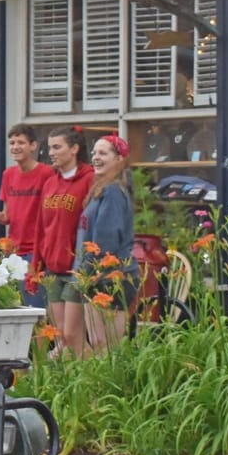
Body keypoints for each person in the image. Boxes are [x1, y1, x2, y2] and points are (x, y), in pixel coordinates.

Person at [76, 134, 138, 352]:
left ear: (119, 159)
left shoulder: (112, 192)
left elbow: (106, 238)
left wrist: (91, 273)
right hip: (96, 274)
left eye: (103, 153)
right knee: (99, 343)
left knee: (107, 345)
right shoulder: (102, 189)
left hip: (110, 276)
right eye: (94, 153)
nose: (96, 157)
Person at [37, 126, 95, 354]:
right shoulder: (50, 183)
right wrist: (37, 265)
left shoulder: (89, 180)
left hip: (75, 267)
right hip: (52, 266)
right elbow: (41, 227)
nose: (51, 153)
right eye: (49, 148)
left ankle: (93, 371)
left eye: (57, 147)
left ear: (74, 149)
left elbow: (90, 224)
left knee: (72, 335)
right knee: (63, 334)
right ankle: (82, 370)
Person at [0, 124, 48, 307]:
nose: (15, 147)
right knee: (15, 304)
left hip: (36, 250)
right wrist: (0, 217)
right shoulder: (8, 174)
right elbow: (7, 215)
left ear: (33, 146)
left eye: (21, 142)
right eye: (12, 143)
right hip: (13, 251)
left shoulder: (46, 173)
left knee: (35, 306)